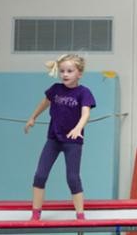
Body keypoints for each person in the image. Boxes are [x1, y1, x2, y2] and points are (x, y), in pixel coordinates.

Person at [24, 54, 96, 220]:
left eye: (70, 71)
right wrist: (33, 117)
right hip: (54, 139)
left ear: (79, 73)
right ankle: (35, 214)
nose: (65, 74)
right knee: (40, 175)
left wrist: (78, 128)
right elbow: (44, 103)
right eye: (62, 71)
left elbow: (86, 114)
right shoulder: (55, 89)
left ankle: (80, 214)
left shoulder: (83, 93)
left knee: (72, 178)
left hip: (73, 142)